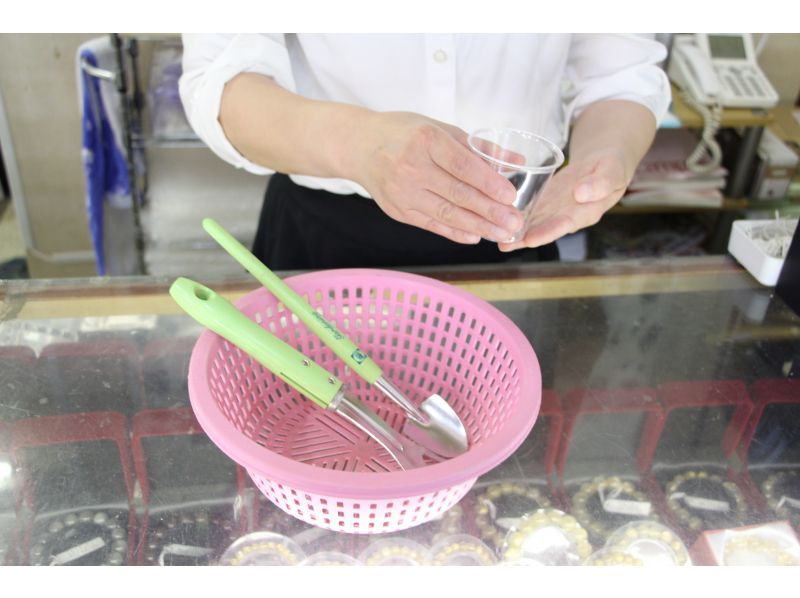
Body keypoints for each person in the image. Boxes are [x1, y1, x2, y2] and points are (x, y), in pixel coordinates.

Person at [179, 34, 671, 270]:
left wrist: (605, 159)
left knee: (503, 452)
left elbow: (620, 76)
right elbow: (221, 82)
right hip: (323, 233)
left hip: (512, 232)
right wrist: (361, 145)